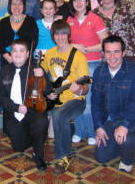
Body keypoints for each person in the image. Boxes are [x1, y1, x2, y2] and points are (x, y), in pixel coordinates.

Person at [36, 20, 89, 174]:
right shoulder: (50, 53)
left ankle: (63, 157)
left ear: (68, 34)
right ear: (53, 35)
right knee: (54, 115)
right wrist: (47, 92)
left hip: (75, 100)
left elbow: (85, 88)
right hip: (55, 100)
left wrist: (78, 90)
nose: (60, 37)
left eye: (63, 33)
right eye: (56, 34)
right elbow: (44, 77)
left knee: (59, 115)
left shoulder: (78, 56)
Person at [92, 35, 135, 173]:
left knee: (126, 140)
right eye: (108, 52)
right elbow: (96, 102)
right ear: (103, 54)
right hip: (110, 119)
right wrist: (99, 126)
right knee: (101, 157)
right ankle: (124, 142)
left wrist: (125, 126)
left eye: (116, 52)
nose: (112, 56)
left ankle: (128, 157)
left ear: (124, 53)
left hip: (132, 117)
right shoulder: (99, 72)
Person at [0, 39, 50, 171]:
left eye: (21, 51)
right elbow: (0, 98)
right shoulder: (4, 71)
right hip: (14, 113)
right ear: (11, 53)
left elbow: (48, 91)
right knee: (19, 147)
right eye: (15, 50)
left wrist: (43, 76)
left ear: (27, 54)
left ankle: (38, 154)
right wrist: (16, 107)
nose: (18, 54)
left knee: (41, 122)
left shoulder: (36, 69)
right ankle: (35, 136)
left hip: (32, 111)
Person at [68, 0, 108, 145]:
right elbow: (62, 41)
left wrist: (88, 49)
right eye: (76, 0)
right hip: (75, 65)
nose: (79, 2)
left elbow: (105, 42)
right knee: (76, 98)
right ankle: (79, 131)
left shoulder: (95, 19)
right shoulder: (69, 19)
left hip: (91, 63)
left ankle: (92, 132)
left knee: (90, 101)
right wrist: (74, 46)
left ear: (87, 2)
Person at [0, 0, 38, 67]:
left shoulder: (31, 21)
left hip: (25, 59)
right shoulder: (3, 22)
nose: (16, 7)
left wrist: (24, 57)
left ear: (23, 6)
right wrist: (7, 57)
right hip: (7, 60)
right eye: (14, 4)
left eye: (20, 4)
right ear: (10, 6)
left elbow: (34, 42)